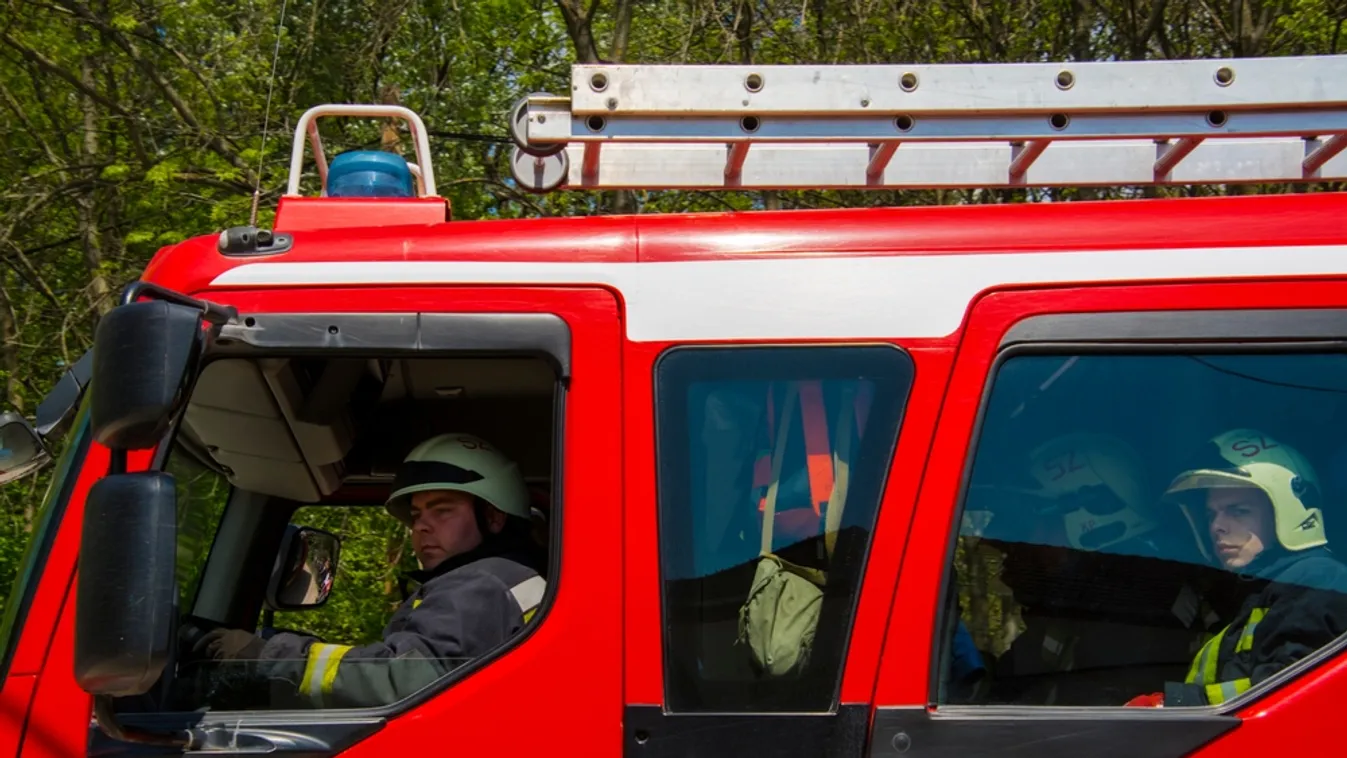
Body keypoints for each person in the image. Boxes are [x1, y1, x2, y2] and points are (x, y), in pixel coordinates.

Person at [192, 433, 547, 709]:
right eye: (418, 514)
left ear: (494, 517)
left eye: (442, 510)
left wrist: (263, 658)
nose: (421, 526)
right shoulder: (504, 579)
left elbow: (402, 680)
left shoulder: (481, 584)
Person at [1126, 428, 1347, 707]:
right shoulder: (1254, 592)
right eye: (1211, 514)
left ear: (1288, 512)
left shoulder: (1316, 580)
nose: (1217, 526)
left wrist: (1175, 704)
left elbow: (1287, 691)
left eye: (1238, 511)